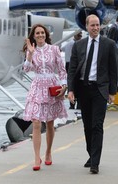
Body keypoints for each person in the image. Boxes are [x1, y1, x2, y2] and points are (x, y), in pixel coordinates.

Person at [67, 14, 118, 174]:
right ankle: (91, 154)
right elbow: (72, 69)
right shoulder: (79, 45)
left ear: (100, 26)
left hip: (100, 90)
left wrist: (112, 91)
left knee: (97, 125)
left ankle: (95, 162)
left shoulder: (109, 44)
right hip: (83, 89)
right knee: (87, 126)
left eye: (97, 25)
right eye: (92, 25)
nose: (95, 28)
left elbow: (115, 69)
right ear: (86, 27)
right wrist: (71, 89)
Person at [22, 24, 68, 171]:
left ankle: (48, 152)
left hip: (51, 87)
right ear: (34, 36)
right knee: (36, 122)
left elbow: (61, 70)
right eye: (37, 33)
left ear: (46, 34)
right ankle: (37, 157)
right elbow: (26, 69)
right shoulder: (31, 50)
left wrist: (64, 86)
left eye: (42, 32)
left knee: (49, 122)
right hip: (37, 86)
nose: (40, 35)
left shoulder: (54, 49)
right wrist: (29, 54)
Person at [61, 31, 82, 109]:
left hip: (67, 64)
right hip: (74, 64)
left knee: (71, 81)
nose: (80, 37)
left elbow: (61, 49)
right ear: (75, 36)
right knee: (77, 82)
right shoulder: (76, 44)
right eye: (79, 36)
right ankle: (77, 103)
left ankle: (72, 104)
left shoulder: (68, 43)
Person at [107, 15, 118, 91]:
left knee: (117, 68)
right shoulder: (114, 28)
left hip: (115, 50)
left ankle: (114, 84)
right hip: (113, 51)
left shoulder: (115, 27)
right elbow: (110, 40)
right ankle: (113, 85)